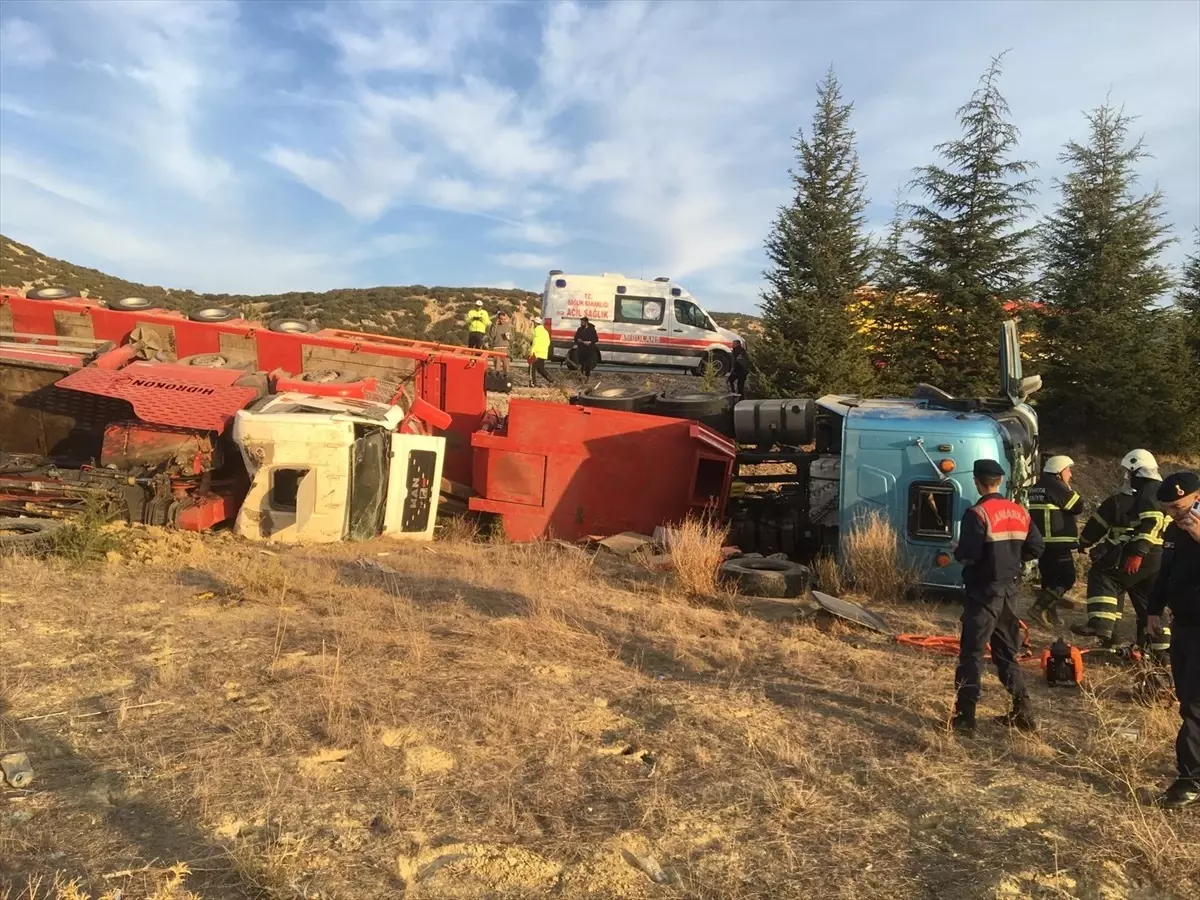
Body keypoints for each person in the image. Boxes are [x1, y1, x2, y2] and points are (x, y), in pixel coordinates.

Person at [951, 458, 1044, 734]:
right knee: (1006, 653)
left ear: (977, 482)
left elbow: (969, 554)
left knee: (972, 654)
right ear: (1001, 481)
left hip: (983, 592)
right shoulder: (1019, 511)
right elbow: (1037, 547)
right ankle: (1024, 713)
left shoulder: (977, 513)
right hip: (1009, 591)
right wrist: (1013, 560)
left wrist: (957, 550)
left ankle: (966, 718)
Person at [1074, 449, 1170, 661]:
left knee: (1104, 576)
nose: (1128, 477)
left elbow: (1152, 521)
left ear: (1139, 471)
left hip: (1145, 552)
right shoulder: (1161, 490)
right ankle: (1160, 651)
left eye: (1130, 472)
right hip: (1160, 556)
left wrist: (1138, 553)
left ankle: (1101, 625)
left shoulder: (1147, 491)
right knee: (1150, 602)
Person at [1147, 471, 1200, 810]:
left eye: (1178, 507)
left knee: (1195, 705)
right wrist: (1153, 610)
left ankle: (1190, 781)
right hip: (1184, 624)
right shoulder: (1173, 530)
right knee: (1186, 699)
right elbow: (1164, 573)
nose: (1172, 514)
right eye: (1167, 508)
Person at [1027, 455, 1085, 626]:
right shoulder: (1057, 487)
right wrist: (1068, 487)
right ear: (1059, 471)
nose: (1070, 474)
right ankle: (1038, 608)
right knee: (1067, 578)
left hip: (1041, 542)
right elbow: (1078, 506)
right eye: (1068, 470)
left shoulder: (1037, 487)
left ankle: (1050, 614)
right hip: (1057, 542)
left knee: (1049, 579)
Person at [529, 320, 553, 387]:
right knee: (541, 369)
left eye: (534, 323)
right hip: (543, 353)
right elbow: (548, 342)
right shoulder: (545, 332)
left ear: (536, 323)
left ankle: (533, 383)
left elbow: (535, 342)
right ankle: (552, 380)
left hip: (536, 353)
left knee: (532, 368)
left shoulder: (535, 330)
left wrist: (531, 351)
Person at [488, 312, 512, 376]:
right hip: (496, 348)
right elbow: (491, 335)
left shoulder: (507, 326)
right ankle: (497, 379)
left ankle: (506, 379)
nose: (503, 320)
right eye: (501, 319)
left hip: (505, 348)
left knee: (506, 367)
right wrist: (495, 325)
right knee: (497, 368)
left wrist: (509, 337)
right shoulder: (494, 326)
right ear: (498, 319)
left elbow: (511, 338)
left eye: (504, 319)